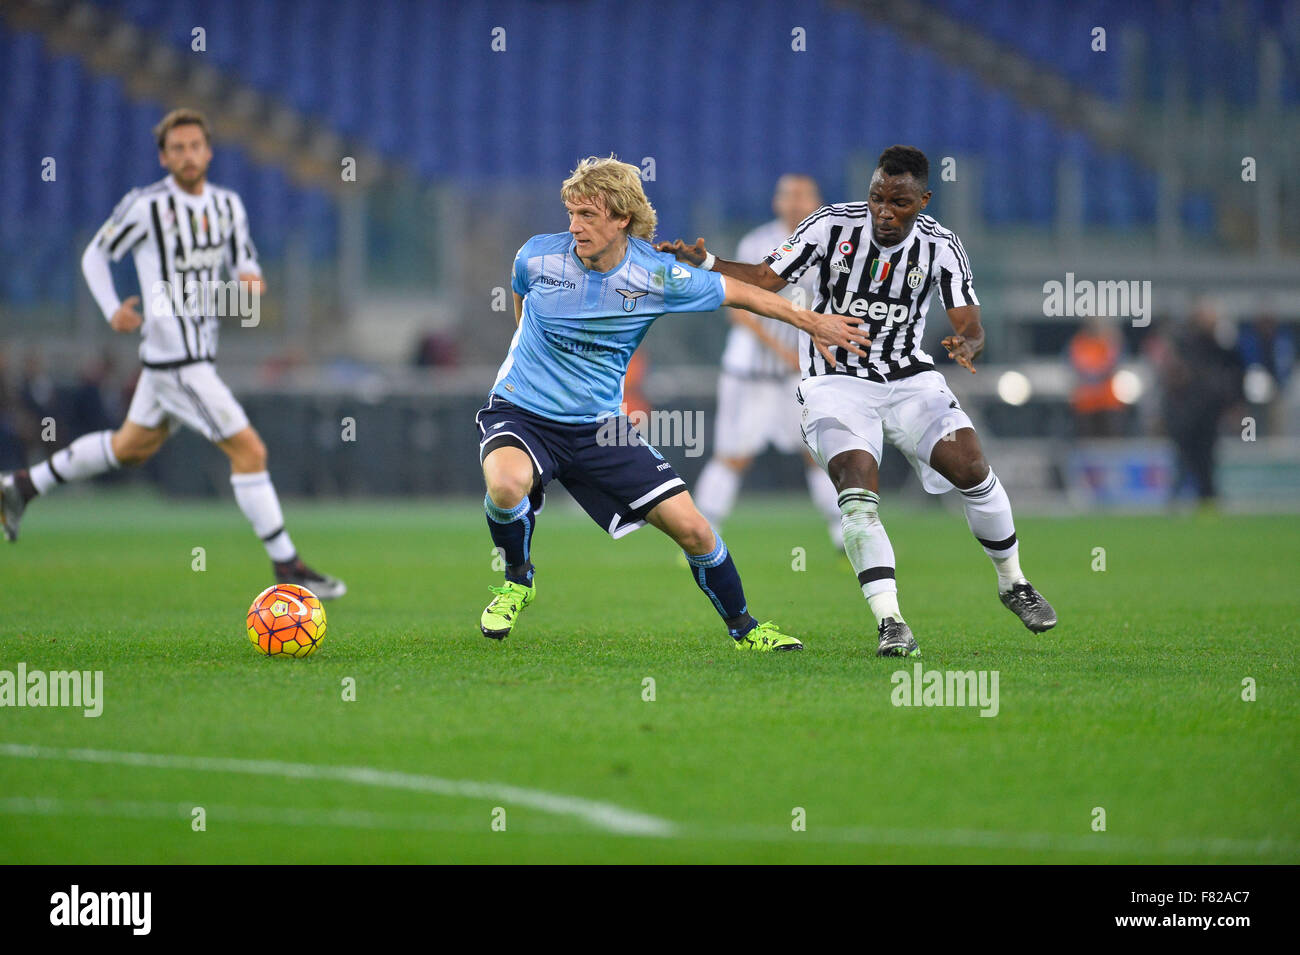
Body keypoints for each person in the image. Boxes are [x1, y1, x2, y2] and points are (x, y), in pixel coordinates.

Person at [659, 145, 1056, 657]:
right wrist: (708, 262)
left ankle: (1013, 582)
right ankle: (890, 619)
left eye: (899, 201)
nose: (884, 211)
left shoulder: (941, 246)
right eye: (876, 198)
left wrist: (971, 341)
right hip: (836, 382)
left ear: (924, 200)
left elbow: (968, 316)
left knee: (972, 466)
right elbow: (764, 279)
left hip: (911, 380)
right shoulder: (829, 227)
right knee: (856, 484)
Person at [475, 156, 870, 651]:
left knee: (696, 531)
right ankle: (516, 580)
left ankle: (746, 629)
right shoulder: (535, 257)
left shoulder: (656, 274)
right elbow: (521, 307)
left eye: (588, 216)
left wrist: (812, 322)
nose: (574, 227)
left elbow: (744, 295)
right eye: (571, 214)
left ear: (621, 218)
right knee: (507, 483)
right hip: (522, 411)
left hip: (600, 427)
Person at [0, 108, 345, 598]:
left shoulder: (228, 206)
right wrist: (111, 308)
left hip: (193, 357)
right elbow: (95, 253)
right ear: (164, 157)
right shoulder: (145, 206)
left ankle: (21, 485)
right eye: (177, 148)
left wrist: (250, 281)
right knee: (250, 450)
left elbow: (246, 265)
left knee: (127, 449)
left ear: (207, 152)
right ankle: (287, 563)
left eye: (195, 146)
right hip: (177, 361)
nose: (187, 155)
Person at [693, 175, 844, 549]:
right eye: (787, 196)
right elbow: (737, 308)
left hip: (801, 375)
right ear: (777, 202)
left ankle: (846, 538)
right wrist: (783, 351)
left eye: (802, 195)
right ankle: (700, 538)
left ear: (816, 201)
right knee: (732, 457)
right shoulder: (757, 243)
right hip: (751, 374)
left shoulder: (836, 247)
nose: (794, 203)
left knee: (819, 455)